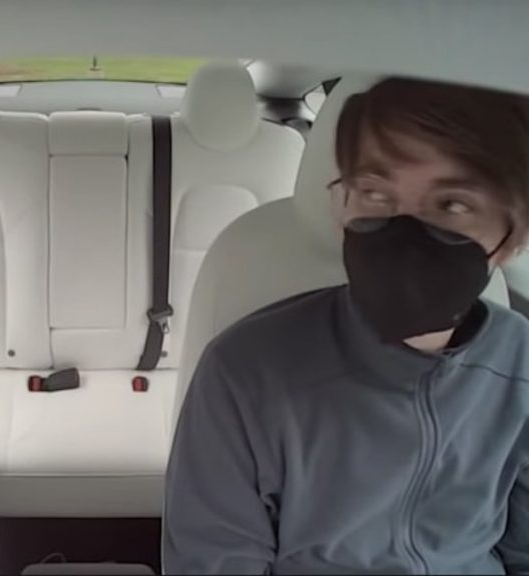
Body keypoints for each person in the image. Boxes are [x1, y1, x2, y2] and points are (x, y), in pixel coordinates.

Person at [162, 77, 529, 574]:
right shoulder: (246, 372)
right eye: (375, 193)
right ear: (341, 209)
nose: (405, 228)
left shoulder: (521, 369)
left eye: (453, 204)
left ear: (513, 237)